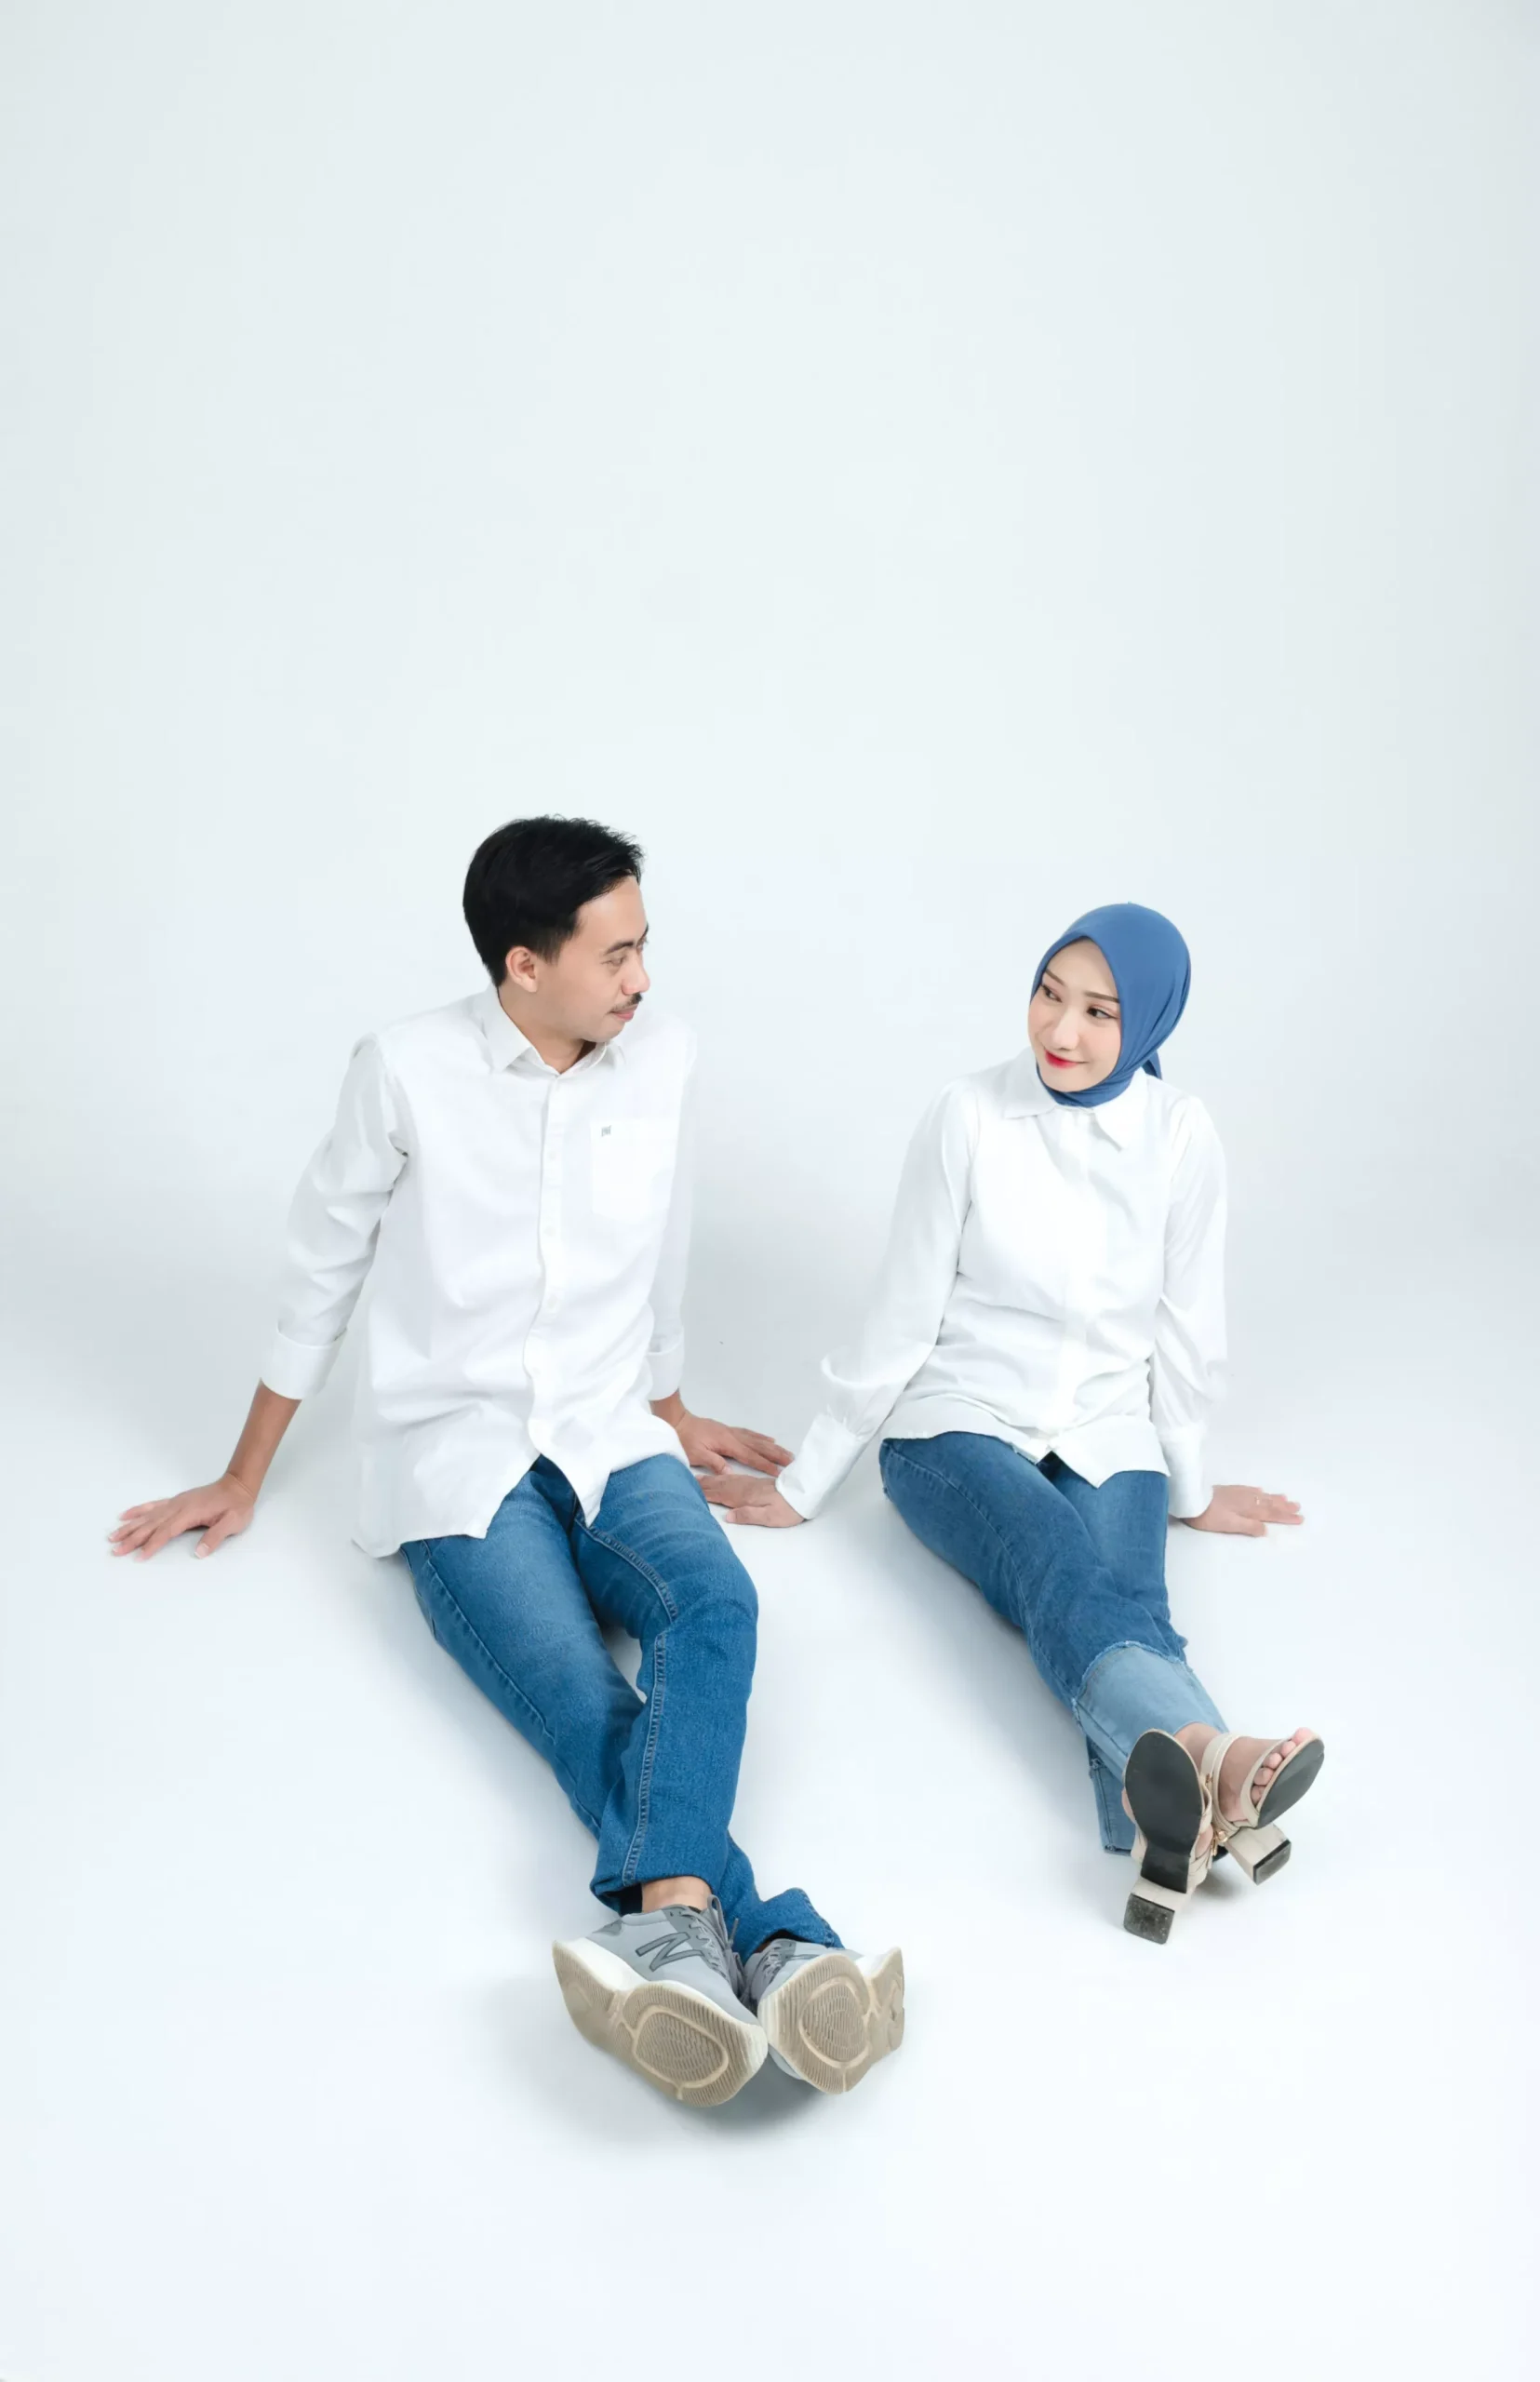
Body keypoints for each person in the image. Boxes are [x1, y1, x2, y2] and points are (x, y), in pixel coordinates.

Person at [109, 816, 904, 2098]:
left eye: (644, 946)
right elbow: (323, 1268)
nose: (642, 978)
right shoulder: (403, 1070)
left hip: (608, 1428)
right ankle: (773, 1942)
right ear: (523, 966)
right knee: (584, 1697)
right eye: (614, 956)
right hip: (454, 1451)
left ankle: (671, 1942)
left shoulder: (664, 1057)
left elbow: (665, 1242)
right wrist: (244, 1472)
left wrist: (671, 1405)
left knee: (716, 1605)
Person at [702, 903, 1324, 1943]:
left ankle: (1170, 1827)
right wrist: (808, 1478)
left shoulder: (1179, 1135)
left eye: (1099, 1012)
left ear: (1149, 1020)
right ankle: (1217, 1766)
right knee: (1051, 1555)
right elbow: (901, 1314)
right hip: (956, 1423)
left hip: (1108, 1422)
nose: (1060, 1031)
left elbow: (1185, 1328)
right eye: (1048, 994)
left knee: (1128, 1595)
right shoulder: (968, 1115)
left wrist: (1190, 1484)